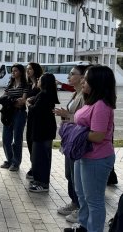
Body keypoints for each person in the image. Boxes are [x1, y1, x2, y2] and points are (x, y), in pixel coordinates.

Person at [64, 65, 116, 232]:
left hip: (97, 158)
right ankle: (84, 226)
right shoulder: (90, 101)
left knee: (94, 201)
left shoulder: (101, 105)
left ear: (97, 82)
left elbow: (98, 136)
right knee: (83, 196)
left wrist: (75, 132)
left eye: (86, 79)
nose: (83, 81)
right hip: (84, 155)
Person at [54, 65, 88, 223]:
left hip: (77, 139)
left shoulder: (86, 96)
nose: (68, 76)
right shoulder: (76, 93)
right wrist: (65, 115)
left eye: (72, 74)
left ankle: (80, 207)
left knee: (76, 176)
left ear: (83, 77)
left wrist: (67, 115)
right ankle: (74, 203)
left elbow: (85, 119)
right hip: (70, 137)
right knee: (69, 174)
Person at [27, 73, 59, 192]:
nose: (37, 80)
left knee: (41, 157)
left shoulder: (44, 95)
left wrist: (29, 104)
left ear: (44, 82)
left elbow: (35, 110)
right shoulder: (45, 94)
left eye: (40, 79)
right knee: (40, 156)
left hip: (42, 131)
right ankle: (39, 180)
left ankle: (42, 183)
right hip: (44, 130)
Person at [0, 63, 28, 171]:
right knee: (6, 138)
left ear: (21, 72)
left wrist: (10, 100)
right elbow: (3, 97)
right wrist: (13, 101)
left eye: (15, 70)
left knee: (17, 139)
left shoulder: (25, 85)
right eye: (12, 71)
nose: (13, 72)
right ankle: (9, 159)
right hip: (8, 113)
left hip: (19, 113)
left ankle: (16, 162)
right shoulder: (10, 84)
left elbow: (22, 102)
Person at [25, 62, 43, 180]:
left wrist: (28, 101)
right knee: (29, 140)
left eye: (30, 69)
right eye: (27, 69)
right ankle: (33, 165)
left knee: (36, 143)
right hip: (30, 115)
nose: (28, 71)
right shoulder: (29, 84)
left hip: (38, 116)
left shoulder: (39, 85)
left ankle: (36, 167)